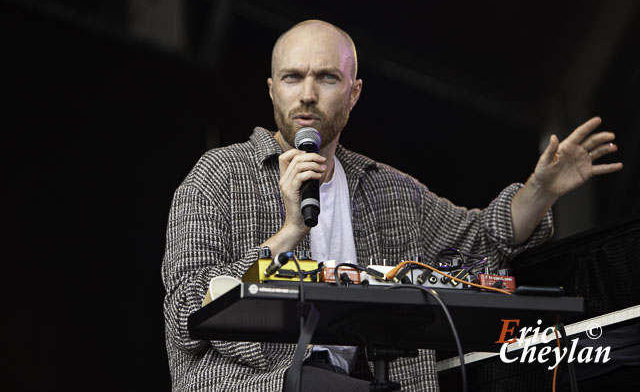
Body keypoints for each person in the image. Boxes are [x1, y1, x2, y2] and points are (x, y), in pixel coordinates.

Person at [161, 20, 622, 391]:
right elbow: (185, 310)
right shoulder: (217, 176)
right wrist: (287, 233)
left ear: (354, 92)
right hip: (262, 383)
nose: (306, 93)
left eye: (326, 77)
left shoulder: (390, 191)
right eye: (292, 77)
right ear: (271, 90)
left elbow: (485, 240)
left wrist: (542, 189)